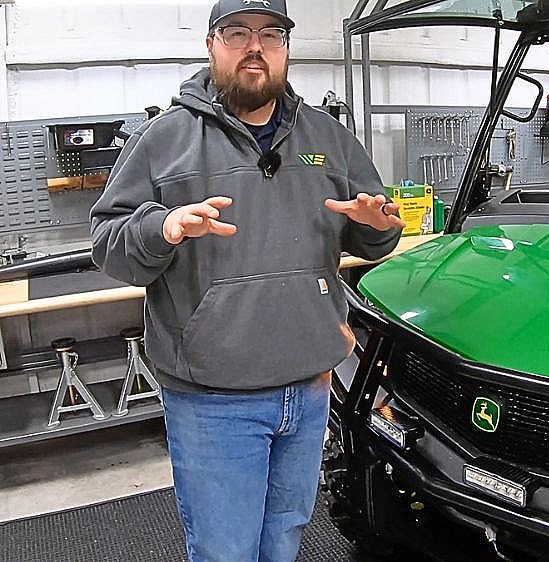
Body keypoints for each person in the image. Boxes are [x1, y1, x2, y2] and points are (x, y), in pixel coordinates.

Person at [89, 0, 404, 560]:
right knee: (225, 550)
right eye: (238, 33)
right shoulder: (164, 140)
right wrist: (163, 228)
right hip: (214, 400)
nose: (254, 46)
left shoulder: (329, 138)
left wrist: (380, 227)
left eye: (271, 34)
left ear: (286, 47)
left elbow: (370, 235)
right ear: (212, 44)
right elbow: (110, 245)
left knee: (284, 540)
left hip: (309, 389)